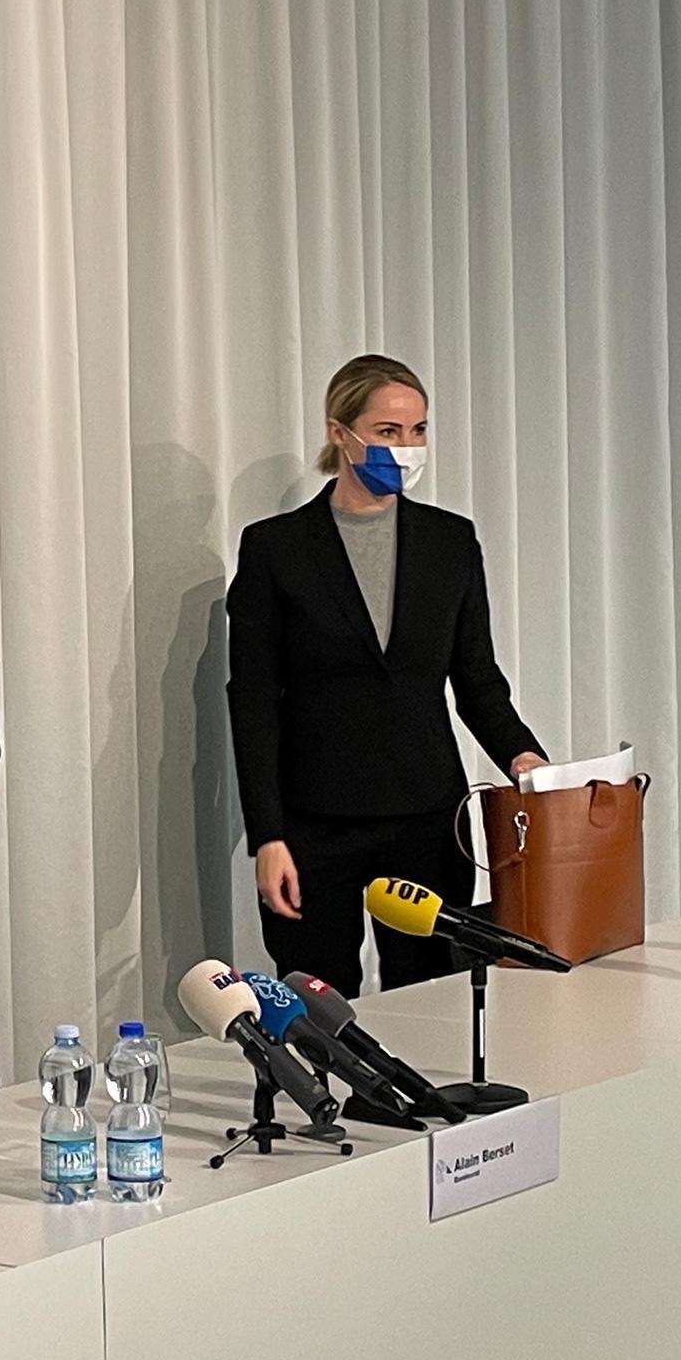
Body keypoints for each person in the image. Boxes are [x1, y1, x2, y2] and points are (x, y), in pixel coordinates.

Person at [226, 353, 547, 994]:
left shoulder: (450, 542)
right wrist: (269, 836)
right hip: (314, 825)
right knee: (319, 1003)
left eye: (419, 430)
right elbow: (254, 700)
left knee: (431, 995)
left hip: (428, 818)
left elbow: (477, 678)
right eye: (388, 432)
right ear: (339, 432)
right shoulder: (276, 549)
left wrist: (523, 756)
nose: (406, 448)